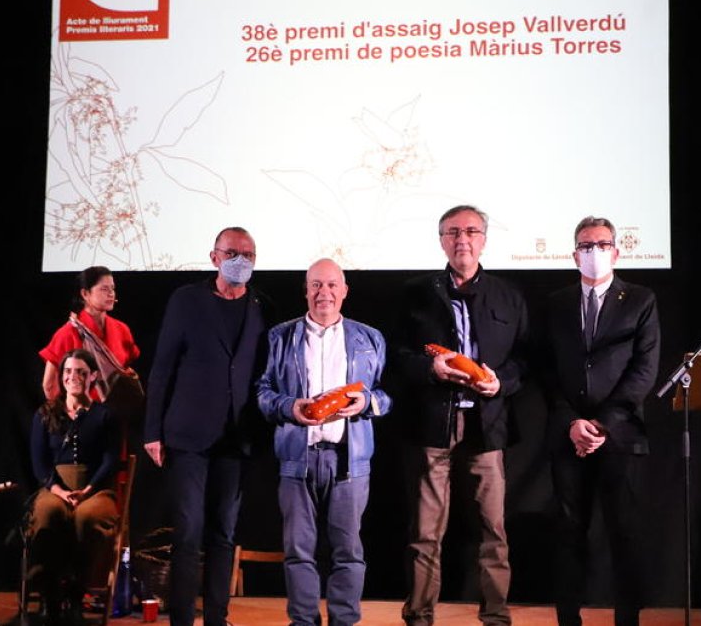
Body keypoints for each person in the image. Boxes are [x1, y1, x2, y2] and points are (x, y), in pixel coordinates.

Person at [397, 205, 529, 626]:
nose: (462, 239)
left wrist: (501, 383)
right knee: (425, 533)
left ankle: (496, 616)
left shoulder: (508, 296)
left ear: (484, 239)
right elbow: (395, 358)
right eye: (453, 232)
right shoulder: (415, 294)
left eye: (471, 231)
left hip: (487, 426)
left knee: (494, 531)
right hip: (435, 424)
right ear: (441, 241)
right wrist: (429, 369)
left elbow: (525, 360)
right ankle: (419, 616)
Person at [143, 227, 272, 626]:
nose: (242, 261)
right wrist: (152, 430)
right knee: (187, 533)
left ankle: (217, 617)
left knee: (223, 534)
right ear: (215, 257)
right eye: (233, 253)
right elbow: (162, 366)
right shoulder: (187, 300)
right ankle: (182, 619)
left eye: (249, 255)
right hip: (188, 436)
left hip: (236, 438)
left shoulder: (260, 305)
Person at [257, 258, 393, 626]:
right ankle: (303, 621)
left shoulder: (369, 338)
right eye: (316, 285)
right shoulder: (280, 337)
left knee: (348, 551)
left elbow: (385, 395)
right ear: (305, 290)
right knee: (299, 552)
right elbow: (263, 393)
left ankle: (343, 621)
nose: (324, 293)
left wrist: (368, 402)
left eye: (332, 285)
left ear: (345, 291)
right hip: (296, 459)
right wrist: (289, 407)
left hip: (349, 461)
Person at [542, 216, 660, 626]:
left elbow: (644, 371)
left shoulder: (641, 299)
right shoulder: (555, 303)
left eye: (602, 244)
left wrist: (603, 425)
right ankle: (568, 618)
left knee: (623, 533)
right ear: (574, 254)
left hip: (620, 435)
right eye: (586, 246)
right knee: (568, 533)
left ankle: (627, 619)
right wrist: (573, 423)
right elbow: (548, 372)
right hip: (569, 436)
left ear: (617, 251)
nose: (594, 252)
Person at [26, 348, 121, 626]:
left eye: (80, 372)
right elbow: (39, 464)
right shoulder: (45, 414)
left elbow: (110, 459)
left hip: (95, 488)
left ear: (92, 376)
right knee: (47, 514)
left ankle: (78, 593)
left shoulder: (105, 416)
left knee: (88, 517)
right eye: (67, 371)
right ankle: (48, 594)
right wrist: (59, 491)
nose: (72, 377)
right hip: (56, 487)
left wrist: (87, 490)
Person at [38, 265, 141, 403]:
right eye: (104, 289)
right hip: (84, 415)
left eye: (113, 288)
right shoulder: (68, 333)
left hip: (118, 415)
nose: (111, 293)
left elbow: (125, 374)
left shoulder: (122, 329)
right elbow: (49, 386)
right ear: (85, 294)